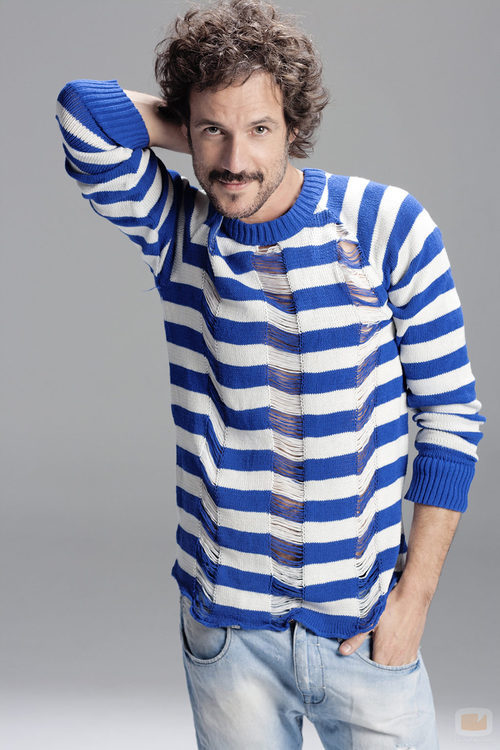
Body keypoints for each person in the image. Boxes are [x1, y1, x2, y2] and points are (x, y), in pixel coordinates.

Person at [55, 0, 485, 747]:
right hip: (228, 640)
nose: (234, 161)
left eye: (260, 128)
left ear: (295, 125)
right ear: (187, 126)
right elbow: (83, 111)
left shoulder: (385, 225)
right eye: (211, 131)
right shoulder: (177, 231)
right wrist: (205, 124)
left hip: (363, 628)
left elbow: (451, 416)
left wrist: (414, 600)